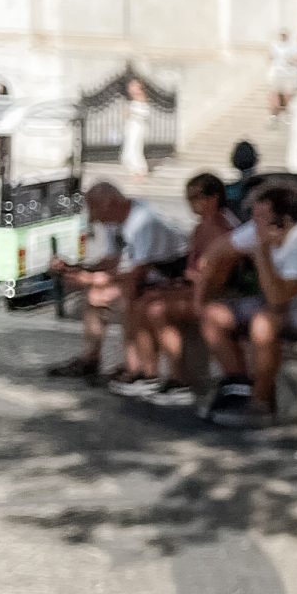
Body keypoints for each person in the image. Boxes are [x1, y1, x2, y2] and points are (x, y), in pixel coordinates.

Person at [197, 176, 297, 427]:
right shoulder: (260, 229)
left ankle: (261, 403)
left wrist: (261, 252)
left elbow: (278, 297)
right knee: (214, 315)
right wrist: (205, 291)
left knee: (264, 323)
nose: (254, 222)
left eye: (261, 216)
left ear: (284, 220)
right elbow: (214, 254)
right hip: (289, 303)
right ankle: (238, 385)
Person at [46, 179, 189, 382]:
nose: (95, 218)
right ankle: (90, 359)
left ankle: (136, 368)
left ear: (110, 204)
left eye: (95, 210)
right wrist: (76, 268)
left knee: (127, 298)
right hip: (147, 273)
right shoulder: (114, 220)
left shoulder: (142, 221)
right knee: (97, 295)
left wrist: (91, 279)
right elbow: (111, 261)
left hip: (171, 273)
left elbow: (137, 272)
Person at [113, 171, 238, 404]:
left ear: (213, 198)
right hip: (196, 287)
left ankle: (178, 379)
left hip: (217, 293)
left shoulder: (222, 228)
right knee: (142, 301)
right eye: (188, 198)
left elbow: (218, 278)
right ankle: (148, 373)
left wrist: (191, 282)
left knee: (155, 309)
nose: (192, 204)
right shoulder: (201, 227)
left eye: (196, 197)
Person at [118, 76, 151, 178]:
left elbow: (145, 113)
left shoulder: (141, 97)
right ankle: (135, 170)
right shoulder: (134, 98)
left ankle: (139, 170)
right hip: (132, 126)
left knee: (135, 148)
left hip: (138, 127)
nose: (131, 88)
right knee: (130, 147)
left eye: (134, 85)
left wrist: (131, 112)